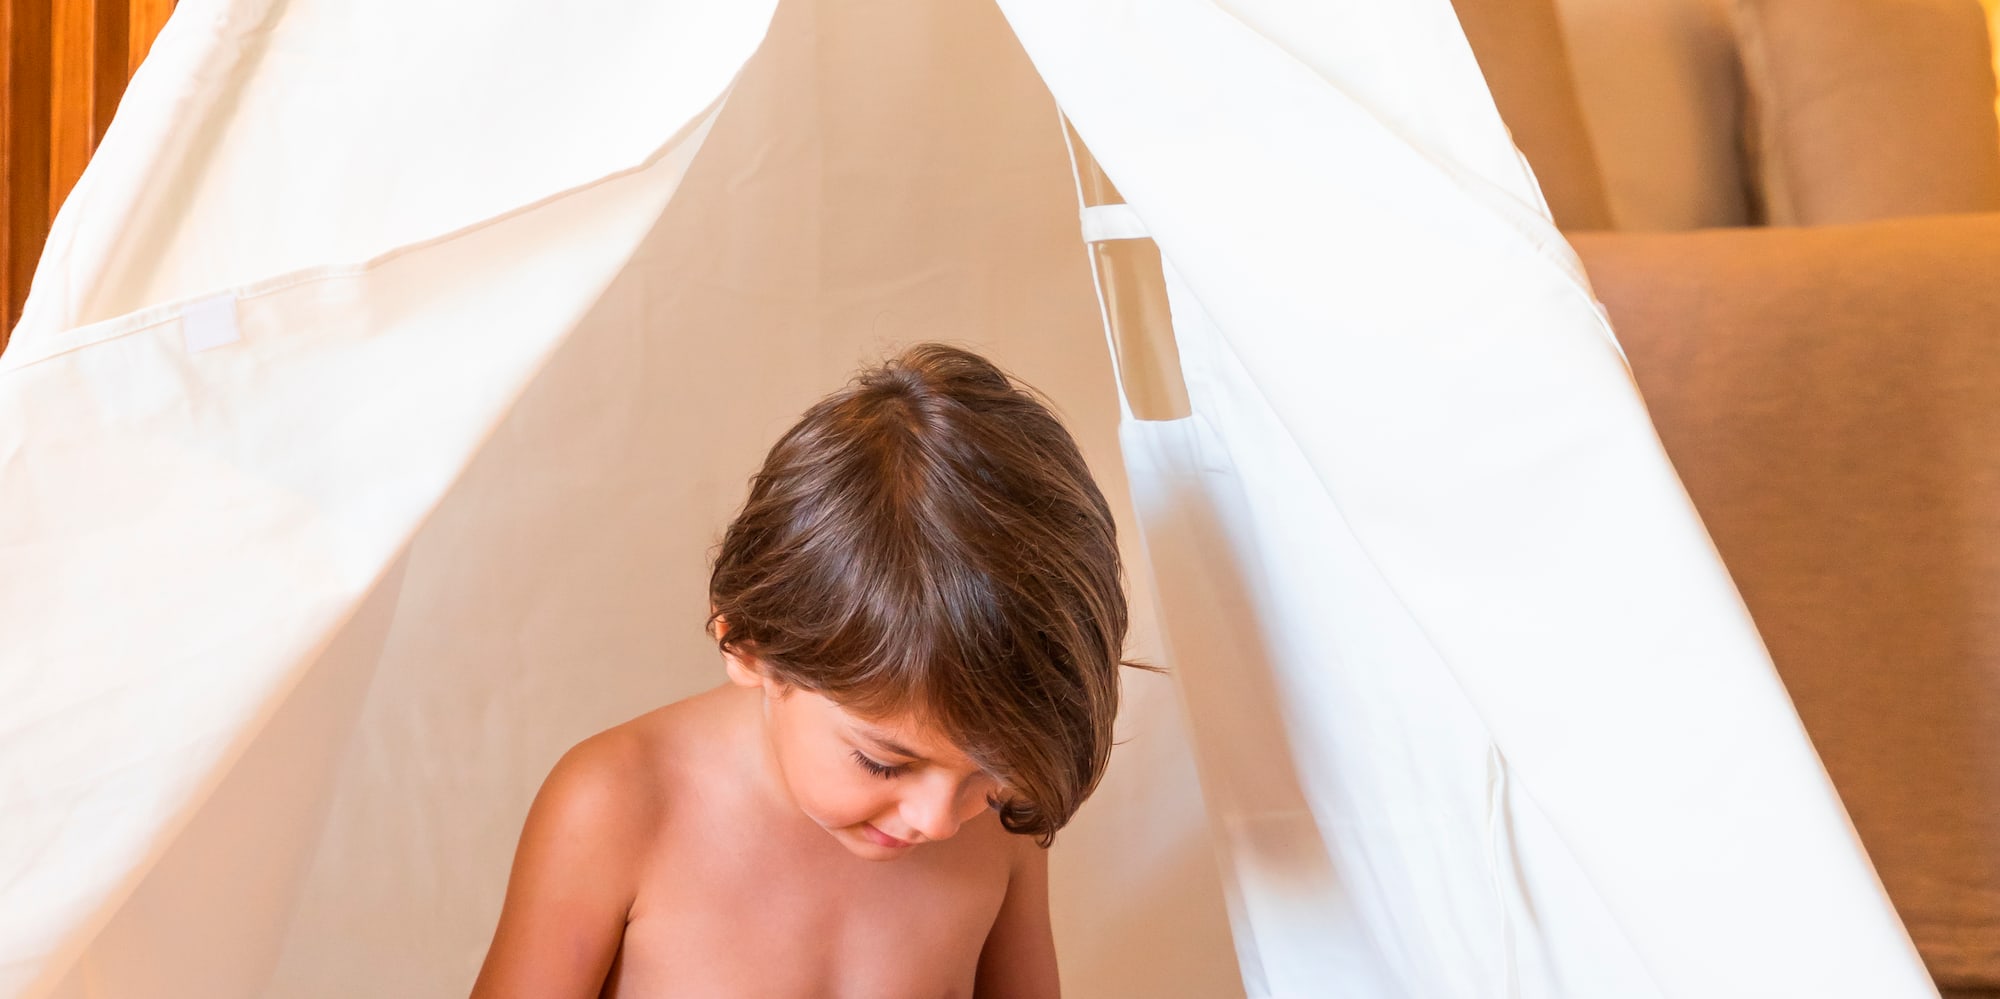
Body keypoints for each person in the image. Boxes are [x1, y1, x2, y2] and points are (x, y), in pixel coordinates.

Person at [469, 343, 1139, 998]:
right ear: (749, 643)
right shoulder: (616, 806)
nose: (938, 819)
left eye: (989, 778)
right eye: (883, 763)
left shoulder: (998, 829)